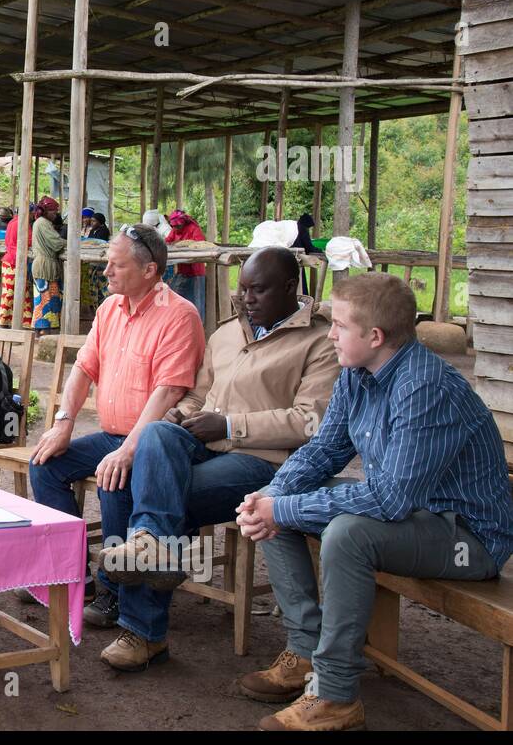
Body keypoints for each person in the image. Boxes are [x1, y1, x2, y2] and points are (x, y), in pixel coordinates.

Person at [235, 272, 513, 731]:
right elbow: (325, 449)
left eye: (340, 325)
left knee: (346, 532)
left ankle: (336, 696)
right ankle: (305, 651)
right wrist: (273, 495)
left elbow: (389, 500)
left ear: (375, 336)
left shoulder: (424, 387)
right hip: (412, 518)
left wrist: (281, 508)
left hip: (468, 536)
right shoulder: (357, 373)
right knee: (278, 501)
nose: (330, 334)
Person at [92, 247, 340, 671]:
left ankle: (143, 631)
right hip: (205, 446)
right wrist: (179, 414)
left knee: (157, 497)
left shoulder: (321, 340)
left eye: (258, 290)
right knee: (155, 434)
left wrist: (228, 426)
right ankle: (151, 548)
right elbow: (199, 395)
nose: (246, 300)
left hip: (264, 462)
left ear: (288, 288)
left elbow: (309, 421)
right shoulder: (228, 332)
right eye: (242, 290)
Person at [28, 224, 204, 621]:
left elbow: (168, 393)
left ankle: (115, 591)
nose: (105, 271)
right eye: (107, 262)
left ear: (149, 271)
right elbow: (83, 368)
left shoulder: (179, 316)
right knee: (44, 465)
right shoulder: (110, 309)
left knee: (114, 480)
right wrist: (63, 422)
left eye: (116, 265)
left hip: (155, 443)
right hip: (112, 435)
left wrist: (128, 451)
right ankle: (71, 576)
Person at [30, 196, 66, 335]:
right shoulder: (43, 223)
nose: (56, 214)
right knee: (45, 300)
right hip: (45, 266)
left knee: (46, 299)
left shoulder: (41, 222)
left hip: (46, 265)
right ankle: (43, 331)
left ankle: (43, 331)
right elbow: (56, 243)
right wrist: (67, 242)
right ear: (47, 211)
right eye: (54, 212)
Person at [165, 209, 208, 321]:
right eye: (173, 226)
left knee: (197, 300)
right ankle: (178, 320)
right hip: (182, 271)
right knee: (175, 295)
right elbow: (168, 240)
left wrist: (182, 245)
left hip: (196, 272)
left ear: (183, 222)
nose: (176, 229)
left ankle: (199, 323)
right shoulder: (174, 231)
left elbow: (200, 243)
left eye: (178, 226)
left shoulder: (194, 229)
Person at [0, 206, 33, 328]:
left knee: (13, 292)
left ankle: (11, 320)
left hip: (8, 259)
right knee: (16, 292)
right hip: (16, 261)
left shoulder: (12, 222)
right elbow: (29, 241)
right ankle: (17, 321)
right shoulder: (24, 223)